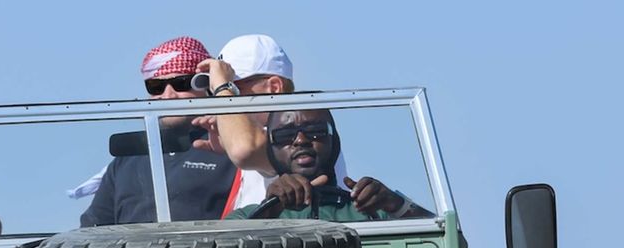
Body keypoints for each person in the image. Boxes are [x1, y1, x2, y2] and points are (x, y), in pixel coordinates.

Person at [80, 36, 257, 226]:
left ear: (205, 85)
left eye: (181, 84)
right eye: (157, 87)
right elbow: (93, 228)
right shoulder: (128, 159)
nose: (168, 95)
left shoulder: (232, 147)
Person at [227, 109, 427, 221]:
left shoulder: (373, 211)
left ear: (335, 141)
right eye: (285, 135)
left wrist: (396, 204)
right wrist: (268, 212)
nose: (300, 140)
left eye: (315, 130)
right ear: (271, 149)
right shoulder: (245, 217)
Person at [199, 34, 347, 182]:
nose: (223, 97)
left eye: (234, 90)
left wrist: (222, 87)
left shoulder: (301, 135)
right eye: (215, 93)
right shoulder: (256, 136)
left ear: (274, 88)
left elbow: (245, 150)